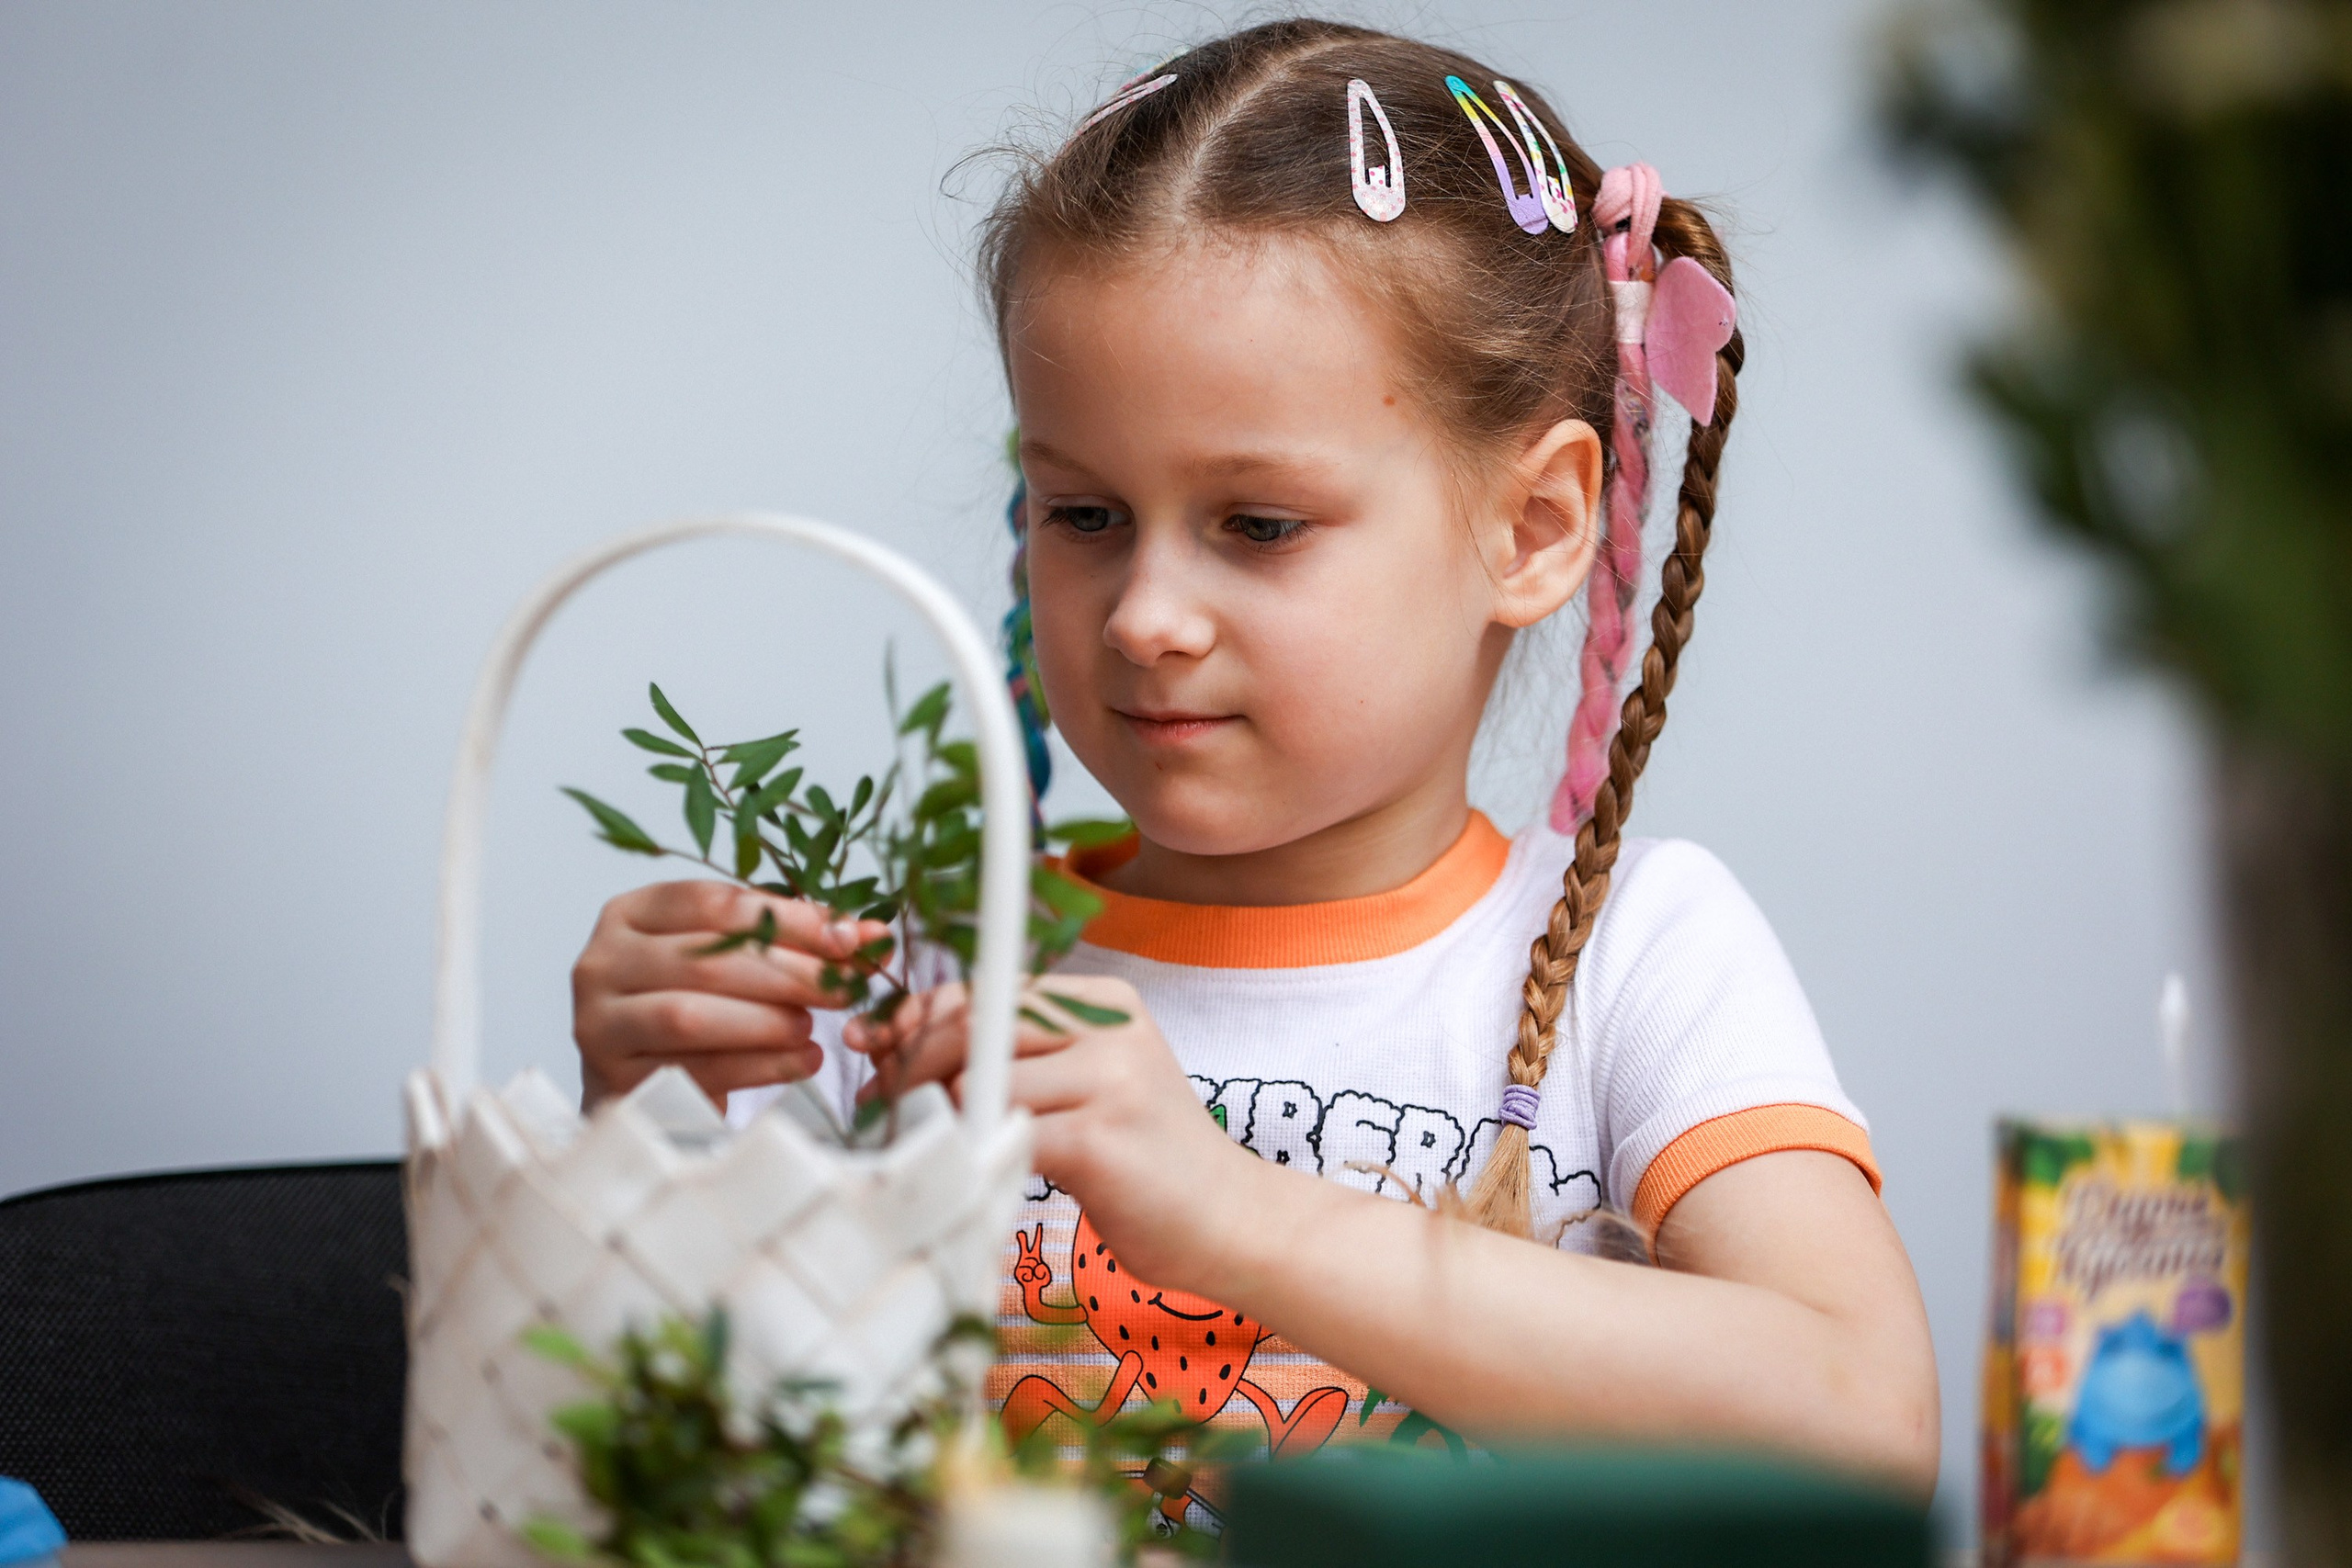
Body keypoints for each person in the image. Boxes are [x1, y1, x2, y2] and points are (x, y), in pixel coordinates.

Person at [569, 18, 1939, 1506]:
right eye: (1084, 514)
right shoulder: (929, 975)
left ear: (1534, 529)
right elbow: (684, 1472)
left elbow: (1861, 1427)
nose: (1147, 617)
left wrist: (1225, 1212)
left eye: (1260, 526)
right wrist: (643, 1136)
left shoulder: (1640, 958)